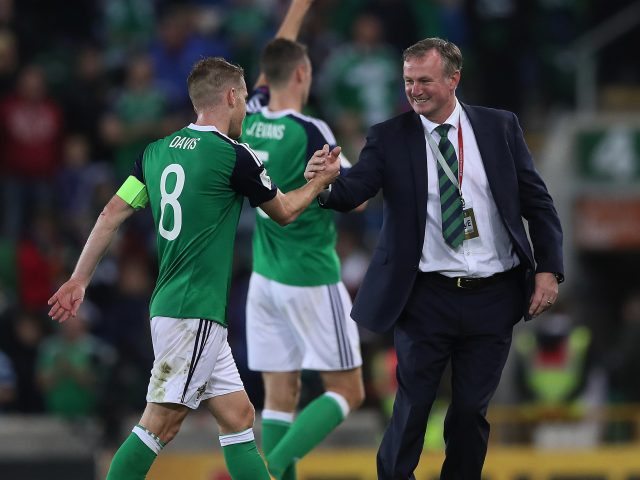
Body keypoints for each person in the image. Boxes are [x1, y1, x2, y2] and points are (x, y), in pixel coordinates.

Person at [48, 56, 340, 480]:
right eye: (242, 101)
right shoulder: (234, 156)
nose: (245, 110)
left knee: (239, 416)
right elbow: (285, 211)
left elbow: (110, 213)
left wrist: (79, 278)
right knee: (159, 424)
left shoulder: (155, 152)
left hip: (176, 307)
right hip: (194, 311)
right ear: (231, 96)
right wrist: (319, 182)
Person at [306, 37, 564, 479]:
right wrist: (325, 184)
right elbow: (356, 188)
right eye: (408, 81)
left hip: (494, 296)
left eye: (424, 80)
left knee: (469, 414)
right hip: (426, 296)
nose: (414, 90)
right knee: (411, 408)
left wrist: (548, 269)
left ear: (453, 79)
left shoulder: (500, 127)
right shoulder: (389, 137)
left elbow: (537, 204)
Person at [239, 1, 365, 478]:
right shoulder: (312, 131)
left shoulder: (248, 115)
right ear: (304, 74)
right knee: (349, 391)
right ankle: (267, 471)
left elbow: (276, 58)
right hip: (311, 275)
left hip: (264, 276)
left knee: (279, 397)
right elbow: (355, 198)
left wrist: (298, 7)